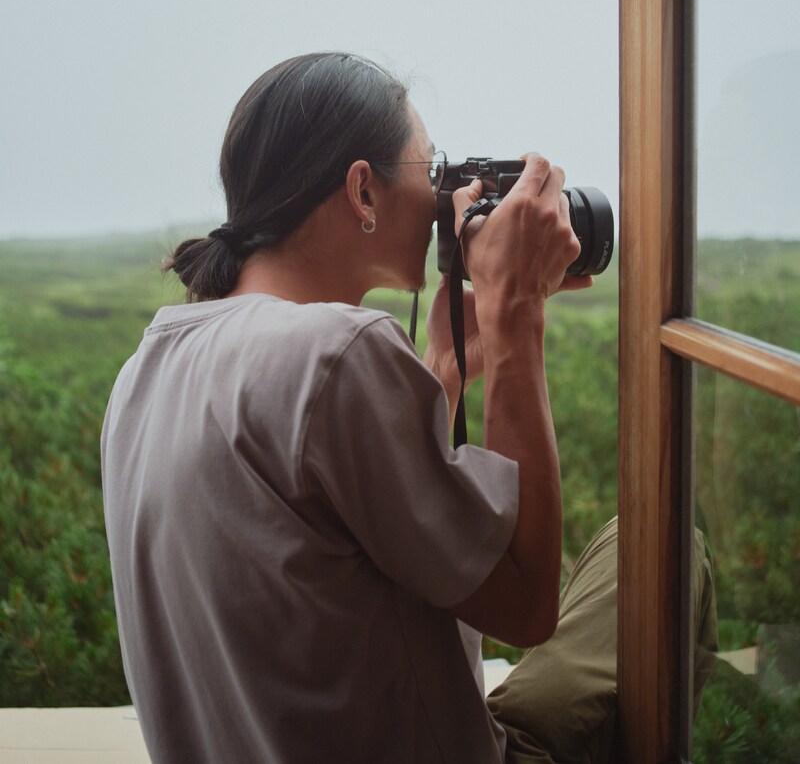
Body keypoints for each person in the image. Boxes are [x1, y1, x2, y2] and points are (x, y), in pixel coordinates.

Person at [101, 51, 620, 762]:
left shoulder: (148, 367)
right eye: (431, 170)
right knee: (654, 543)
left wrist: (442, 369)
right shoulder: (336, 350)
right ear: (363, 192)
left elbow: (350, 529)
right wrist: (516, 313)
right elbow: (525, 603)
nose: (446, 199)